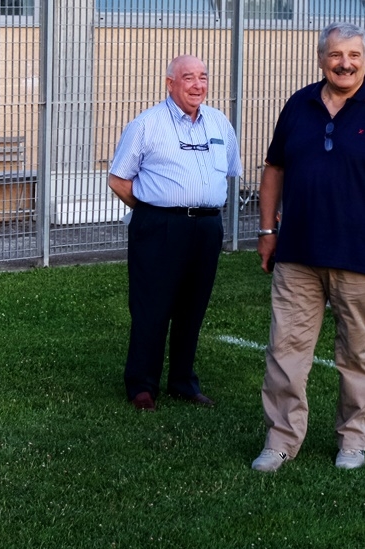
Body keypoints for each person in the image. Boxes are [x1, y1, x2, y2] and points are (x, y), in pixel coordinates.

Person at [251, 22, 365, 473]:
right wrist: (267, 231)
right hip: (297, 254)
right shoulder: (298, 104)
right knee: (285, 351)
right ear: (321, 59)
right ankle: (280, 440)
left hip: (358, 258)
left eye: (354, 55)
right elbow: (274, 168)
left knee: (358, 355)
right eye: (336, 54)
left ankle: (354, 440)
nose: (345, 63)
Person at [108, 55, 243, 412]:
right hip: (160, 226)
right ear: (170, 83)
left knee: (192, 307)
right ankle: (142, 386)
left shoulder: (219, 123)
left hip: (207, 227)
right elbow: (118, 180)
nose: (198, 85)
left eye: (203, 77)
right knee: (151, 307)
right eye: (188, 78)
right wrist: (153, 210)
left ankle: (183, 382)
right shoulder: (146, 125)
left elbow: (229, 171)